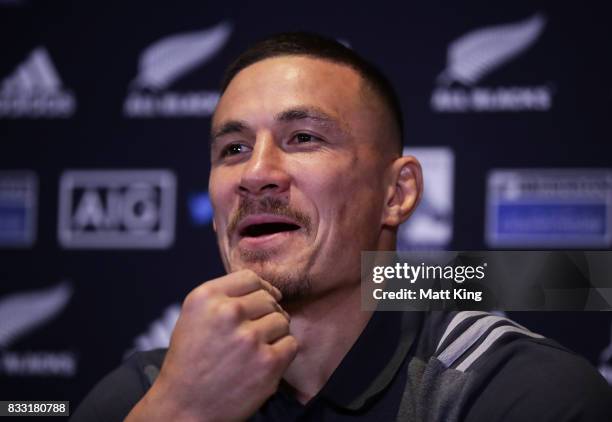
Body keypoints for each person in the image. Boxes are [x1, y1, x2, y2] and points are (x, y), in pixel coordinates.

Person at [71, 32, 612, 422]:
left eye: (304, 138)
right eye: (233, 149)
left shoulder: (515, 395)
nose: (256, 174)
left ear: (397, 194)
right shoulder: (143, 395)